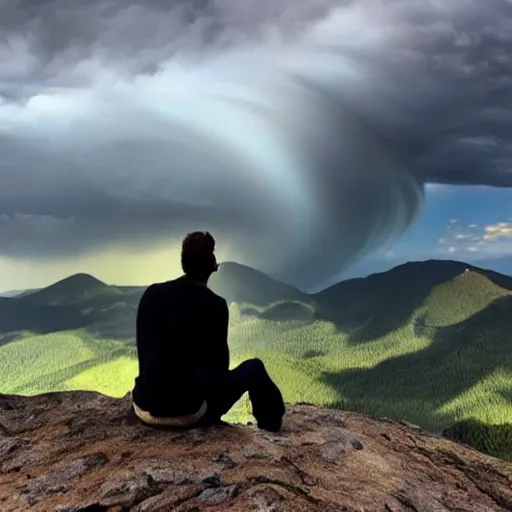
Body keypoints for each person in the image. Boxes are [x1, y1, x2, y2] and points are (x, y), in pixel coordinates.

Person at [131, 231, 285, 432]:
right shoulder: (215, 306)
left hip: (143, 406)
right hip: (188, 413)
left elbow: (144, 350)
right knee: (254, 369)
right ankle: (271, 428)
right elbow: (219, 372)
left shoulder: (152, 293)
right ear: (212, 262)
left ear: (183, 262)